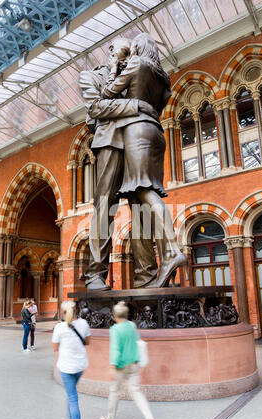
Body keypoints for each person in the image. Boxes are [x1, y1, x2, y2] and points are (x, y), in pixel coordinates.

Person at [101, 33, 187, 287]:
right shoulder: (163, 77)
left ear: (137, 48)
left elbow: (108, 93)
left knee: (146, 192)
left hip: (137, 131)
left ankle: (171, 252)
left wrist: (114, 67)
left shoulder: (136, 65)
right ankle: (151, 270)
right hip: (156, 132)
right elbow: (158, 105)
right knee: (140, 199)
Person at [79, 37, 159, 291]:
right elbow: (95, 108)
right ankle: (95, 275)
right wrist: (136, 105)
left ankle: (147, 275)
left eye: (131, 51)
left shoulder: (138, 70)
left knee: (141, 207)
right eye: (124, 50)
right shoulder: (90, 77)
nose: (128, 55)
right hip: (111, 142)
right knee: (105, 206)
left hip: (138, 143)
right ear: (111, 50)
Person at [100, 301, 156, 419]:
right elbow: (138, 341)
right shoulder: (132, 325)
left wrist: (112, 367)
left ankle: (110, 418)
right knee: (136, 392)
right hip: (134, 363)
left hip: (121, 366)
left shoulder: (115, 330)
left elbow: (115, 350)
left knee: (114, 390)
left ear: (115, 316)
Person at [52, 300, 90, 419]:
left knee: (73, 398)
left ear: (63, 312)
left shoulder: (60, 327)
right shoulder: (84, 324)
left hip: (67, 367)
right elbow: (87, 342)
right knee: (71, 393)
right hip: (80, 366)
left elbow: (55, 347)